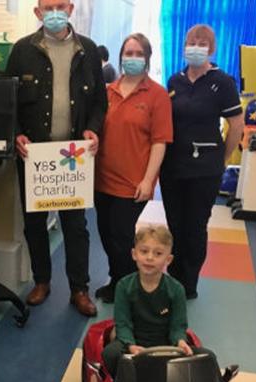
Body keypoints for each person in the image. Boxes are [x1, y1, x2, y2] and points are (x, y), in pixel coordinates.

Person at [5, 0, 107, 317]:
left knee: (76, 227)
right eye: (47, 7)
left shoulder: (87, 49)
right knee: (34, 224)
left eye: (60, 5)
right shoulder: (22, 50)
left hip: (73, 156)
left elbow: (100, 102)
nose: (54, 12)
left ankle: (79, 289)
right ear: (37, 13)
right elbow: (7, 101)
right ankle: (41, 281)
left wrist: (92, 129)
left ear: (71, 8)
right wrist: (16, 134)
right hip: (34, 155)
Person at [160, 24, 245, 299]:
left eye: (202, 43)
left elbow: (236, 126)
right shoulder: (175, 81)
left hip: (205, 169)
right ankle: (173, 277)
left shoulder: (223, 82)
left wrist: (222, 159)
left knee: (195, 227)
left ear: (211, 49)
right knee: (175, 225)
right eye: (191, 42)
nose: (195, 47)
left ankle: (188, 283)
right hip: (173, 168)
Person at [94, 33, 172, 303]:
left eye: (139, 54)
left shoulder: (157, 95)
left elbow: (160, 142)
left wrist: (149, 180)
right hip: (101, 179)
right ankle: (117, 279)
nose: (133, 58)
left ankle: (127, 287)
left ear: (147, 59)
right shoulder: (108, 92)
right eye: (129, 53)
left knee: (121, 235)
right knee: (105, 233)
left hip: (132, 182)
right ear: (121, 56)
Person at [101, 225, 192, 376]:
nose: (150, 258)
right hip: (132, 340)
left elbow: (178, 326)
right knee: (110, 354)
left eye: (158, 254)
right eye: (144, 251)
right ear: (134, 254)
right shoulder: (124, 286)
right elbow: (123, 323)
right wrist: (131, 345)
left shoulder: (176, 289)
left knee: (205, 355)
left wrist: (180, 342)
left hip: (164, 343)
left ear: (168, 259)